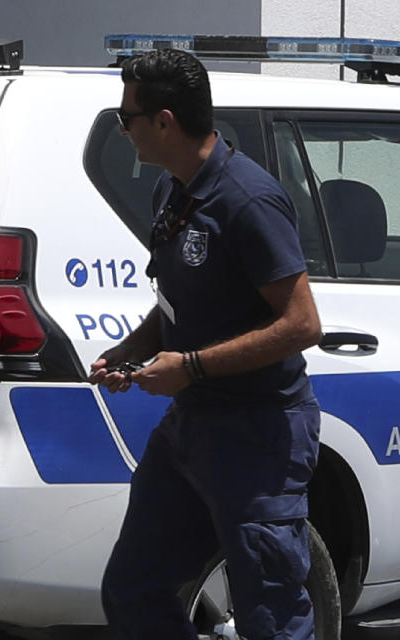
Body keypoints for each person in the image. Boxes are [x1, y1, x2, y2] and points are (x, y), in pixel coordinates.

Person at [88, 49, 323, 640]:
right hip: (192, 429)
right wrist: (132, 351)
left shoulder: (248, 199)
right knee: (134, 590)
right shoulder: (173, 189)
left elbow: (301, 325)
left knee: (270, 616)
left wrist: (189, 367)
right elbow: (180, 300)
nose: (122, 129)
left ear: (163, 121)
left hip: (257, 434)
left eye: (127, 117)